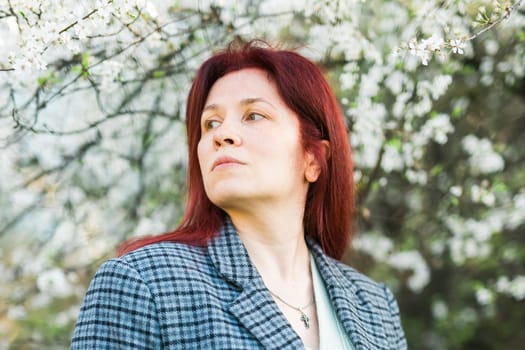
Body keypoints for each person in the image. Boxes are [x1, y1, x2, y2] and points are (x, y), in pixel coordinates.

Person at [71, 39, 407, 350]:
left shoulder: (375, 305)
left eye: (254, 115)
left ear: (312, 159)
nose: (222, 135)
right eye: (210, 124)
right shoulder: (141, 282)